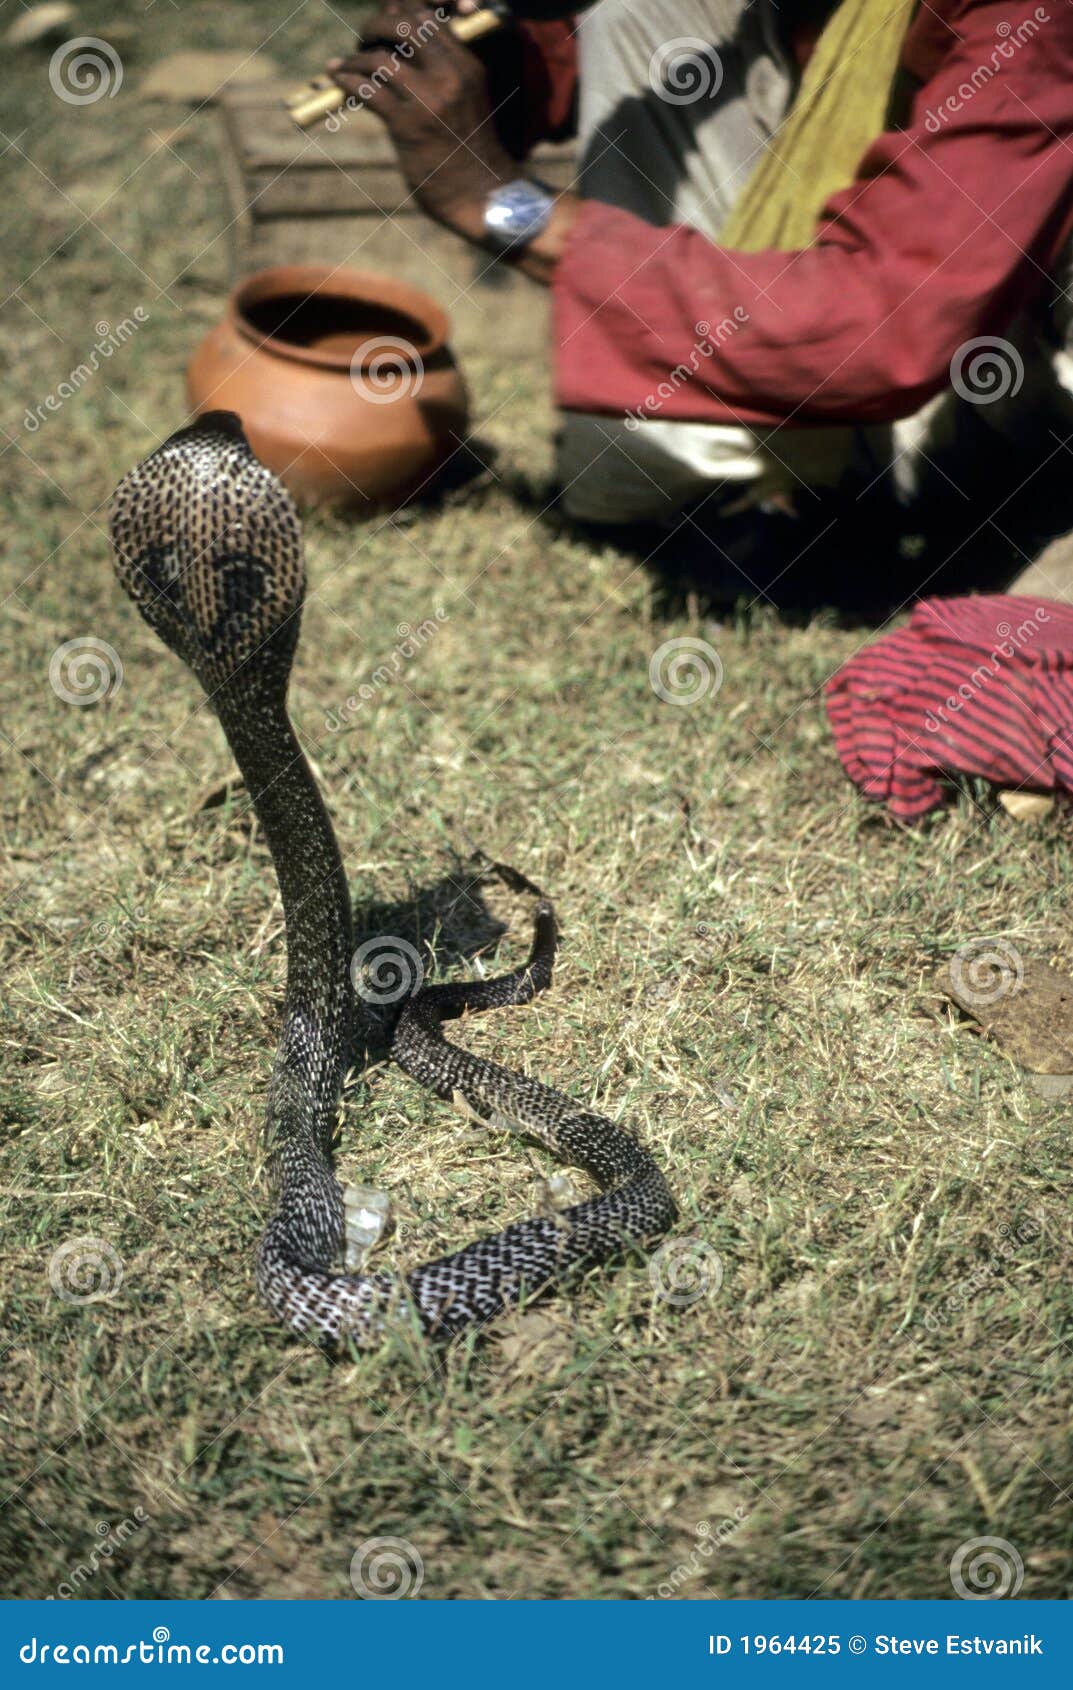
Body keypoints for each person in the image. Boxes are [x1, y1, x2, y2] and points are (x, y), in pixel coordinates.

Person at [328, 1, 1073, 558]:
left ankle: (866, 498)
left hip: (993, 384)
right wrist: (482, 62)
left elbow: (880, 328)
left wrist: (501, 205)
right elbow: (566, 67)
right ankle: (701, 486)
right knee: (637, 13)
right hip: (880, 337)